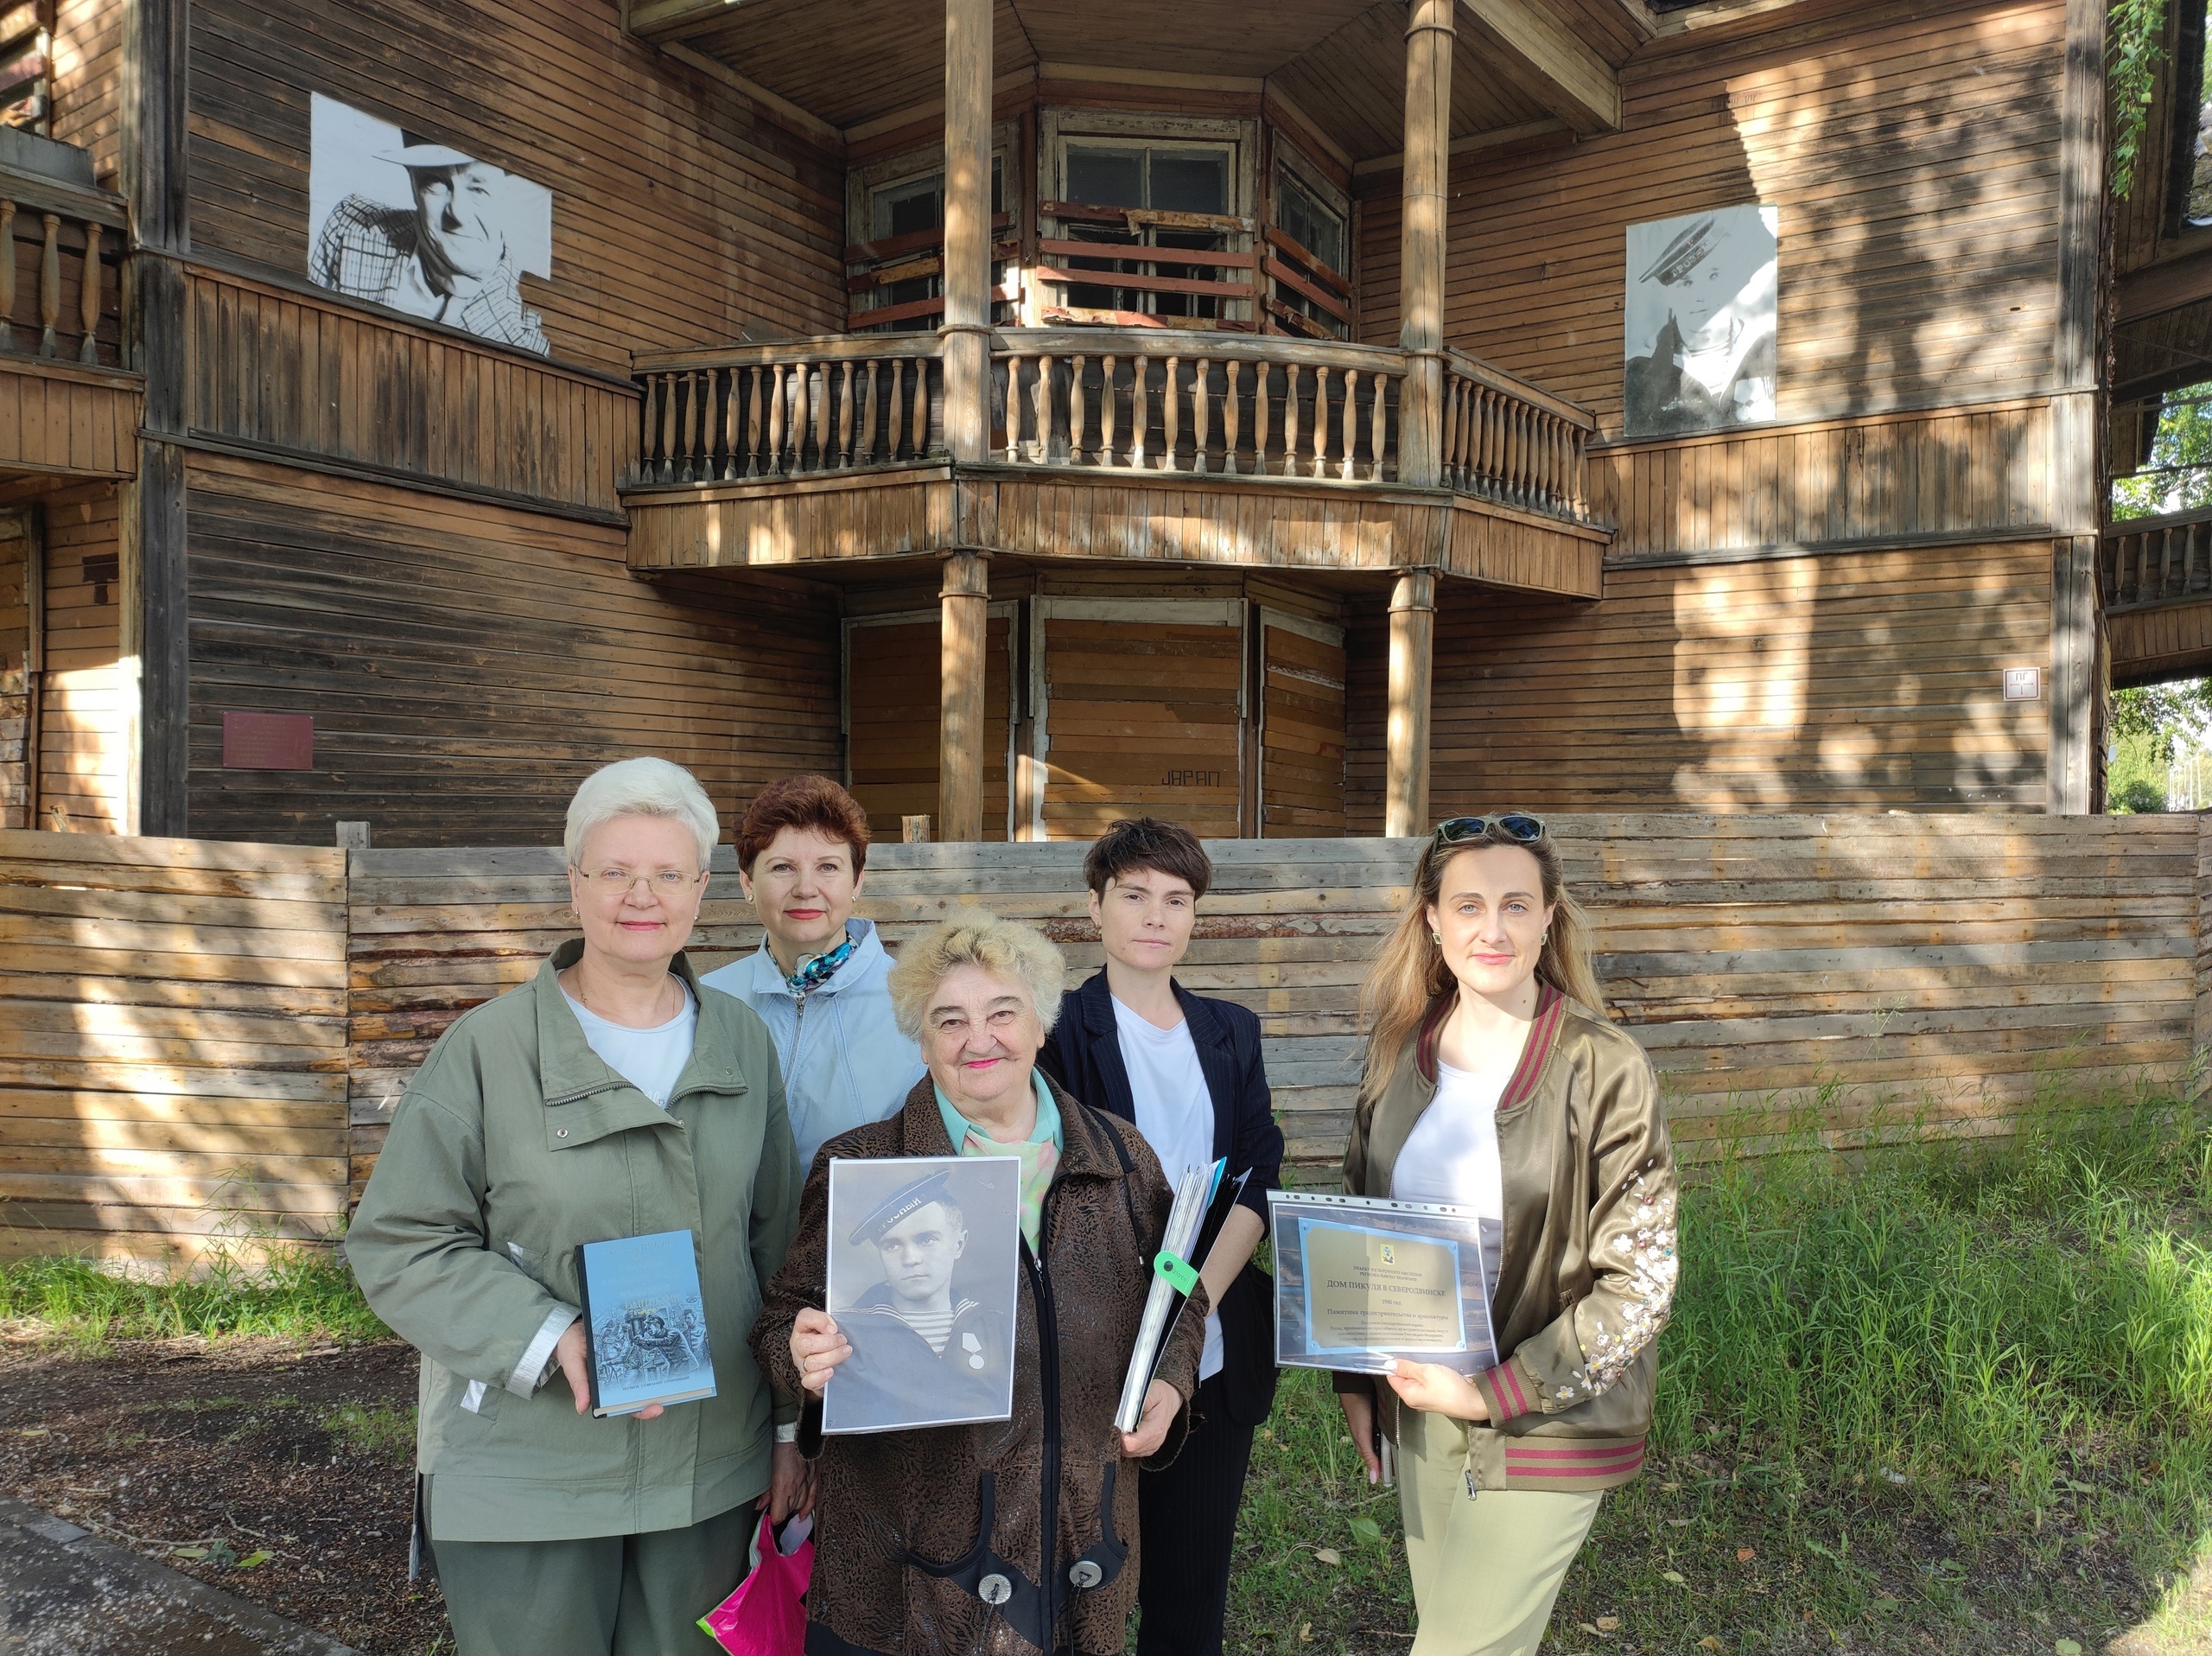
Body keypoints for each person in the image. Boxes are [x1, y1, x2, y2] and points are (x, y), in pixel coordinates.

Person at [346, 756, 808, 1656]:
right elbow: (401, 1242)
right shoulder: (486, 1047)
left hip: (707, 1474)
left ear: (701, 888)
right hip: (528, 1475)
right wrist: (550, 1331)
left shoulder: (742, 1043)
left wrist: (789, 1432)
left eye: (668, 872)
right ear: (574, 884)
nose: (643, 895)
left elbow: (778, 1247)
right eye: (614, 870)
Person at [751, 909, 1207, 1656]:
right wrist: (799, 1358)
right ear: (922, 1039)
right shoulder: (862, 1167)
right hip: (911, 1582)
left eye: (1002, 1012)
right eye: (950, 1020)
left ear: (1040, 1024)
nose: (979, 1038)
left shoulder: (1120, 1156)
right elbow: (779, 1320)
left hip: (1080, 1550)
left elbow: (1179, 1289)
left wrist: (1175, 1377)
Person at [1333, 812, 1678, 1656]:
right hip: (1420, 1403)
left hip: (1547, 1414)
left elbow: (1641, 1281)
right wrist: (1353, 1374)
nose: (1492, 928)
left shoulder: (1605, 1065)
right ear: (1431, 918)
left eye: (1516, 904)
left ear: (1548, 918)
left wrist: (1494, 1393)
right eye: (1469, 904)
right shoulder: (1398, 1053)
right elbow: (1359, 1213)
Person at [1038, 818, 1283, 1656]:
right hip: (1091, 1347)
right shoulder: (1057, 1029)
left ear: (1193, 913)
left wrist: (1196, 1302)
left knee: (1190, 1593)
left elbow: (1258, 1165)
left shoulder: (1229, 1029)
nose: (1155, 914)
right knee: (1079, 1587)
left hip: (1210, 1343)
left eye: (1175, 898)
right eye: (1134, 894)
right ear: (1096, 906)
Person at [702, 775, 925, 1173]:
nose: (806, 888)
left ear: (857, 881)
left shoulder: (918, 1005)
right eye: (783, 867)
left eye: (828, 867)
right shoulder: (705, 1003)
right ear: (747, 882)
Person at [311, 141, 550, 354]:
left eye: (478, 189)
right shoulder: (349, 225)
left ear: (505, 197)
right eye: (436, 183)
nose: (458, 212)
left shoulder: (528, 336)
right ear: (414, 188)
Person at [825, 1168, 1013, 1430]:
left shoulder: (998, 1329)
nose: (910, 1258)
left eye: (926, 1240)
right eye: (892, 1245)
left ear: (958, 1245)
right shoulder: (847, 1334)